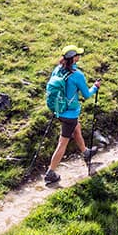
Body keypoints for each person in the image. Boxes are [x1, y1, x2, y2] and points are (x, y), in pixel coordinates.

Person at [44, 45, 97, 184]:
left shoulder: (57, 70)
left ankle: (85, 152)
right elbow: (86, 95)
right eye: (78, 54)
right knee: (63, 143)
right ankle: (51, 172)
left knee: (76, 128)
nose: (79, 56)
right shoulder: (77, 75)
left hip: (58, 110)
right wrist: (95, 88)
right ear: (74, 58)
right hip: (70, 114)